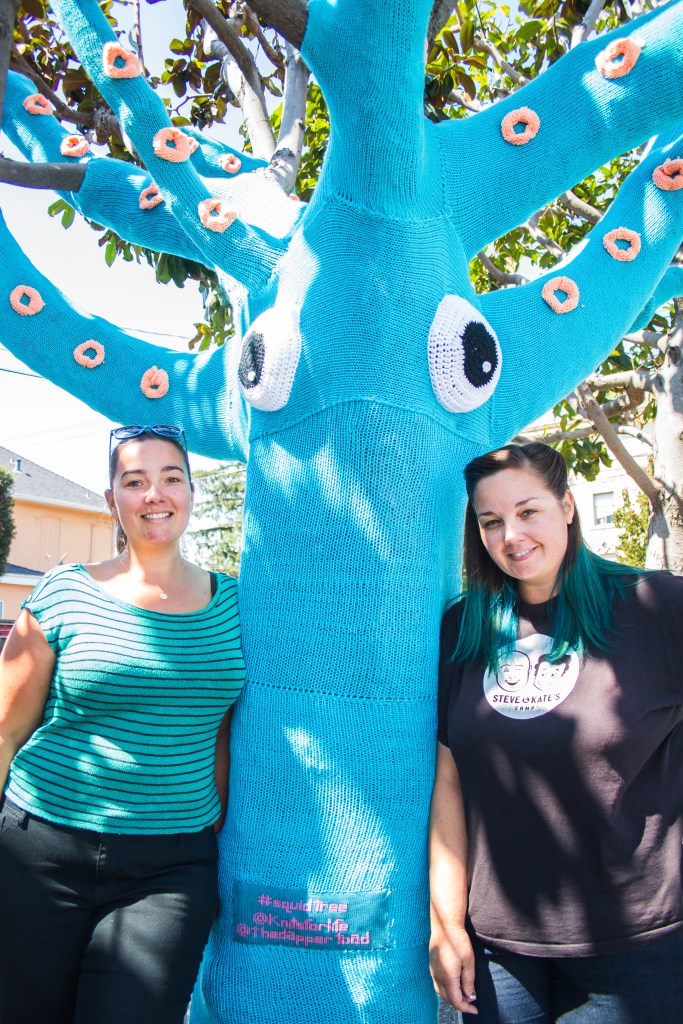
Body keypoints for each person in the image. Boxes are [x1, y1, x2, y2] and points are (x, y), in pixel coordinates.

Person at [429, 442, 683, 1023]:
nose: (511, 535)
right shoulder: (461, 629)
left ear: (568, 506)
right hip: (498, 949)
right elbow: (448, 780)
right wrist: (446, 925)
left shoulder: (657, 606)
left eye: (528, 511)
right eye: (490, 522)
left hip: (637, 944)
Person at [0, 423, 246, 1024]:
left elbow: (224, 732)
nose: (154, 495)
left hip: (170, 868)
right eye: (134, 481)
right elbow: (6, 729)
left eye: (171, 479)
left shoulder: (237, 604)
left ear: (191, 492)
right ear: (113, 500)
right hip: (40, 851)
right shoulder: (64, 593)